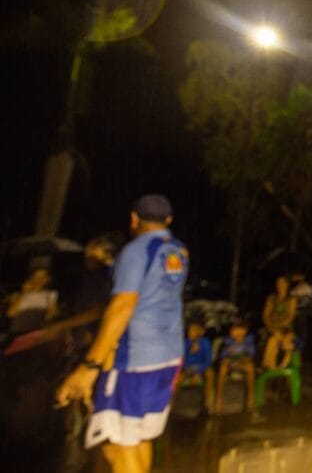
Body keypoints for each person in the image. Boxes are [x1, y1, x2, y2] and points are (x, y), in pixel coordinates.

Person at [55, 194, 188, 473]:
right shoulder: (178, 251)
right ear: (168, 220)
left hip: (133, 360)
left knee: (116, 444)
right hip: (167, 356)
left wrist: (90, 365)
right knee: (139, 439)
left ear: (134, 218)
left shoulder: (136, 250)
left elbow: (123, 306)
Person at [214, 317, 256, 413]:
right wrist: (228, 360)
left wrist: (241, 361)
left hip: (242, 363)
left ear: (244, 331)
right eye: (232, 329)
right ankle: (218, 398)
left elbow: (250, 355)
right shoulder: (227, 341)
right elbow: (223, 356)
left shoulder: (248, 341)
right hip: (230, 364)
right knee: (222, 368)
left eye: (235, 329)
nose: (232, 331)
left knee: (250, 367)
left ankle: (250, 397)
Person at [5, 265, 58, 335]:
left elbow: (52, 314)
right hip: (17, 332)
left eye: (43, 277)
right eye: (36, 277)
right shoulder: (17, 294)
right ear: (30, 278)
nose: (39, 280)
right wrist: (24, 293)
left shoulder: (50, 294)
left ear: (48, 279)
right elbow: (10, 314)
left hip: (36, 332)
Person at [261, 275, 296, 370]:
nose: (280, 285)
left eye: (282, 283)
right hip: (272, 326)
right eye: (278, 283)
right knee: (273, 339)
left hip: (285, 327)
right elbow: (266, 314)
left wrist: (279, 326)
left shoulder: (291, 299)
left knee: (278, 339)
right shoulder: (272, 298)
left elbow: (291, 316)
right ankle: (270, 365)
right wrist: (270, 325)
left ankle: (271, 365)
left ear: (287, 285)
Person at [181, 320, 215, 412]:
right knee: (178, 378)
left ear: (199, 332)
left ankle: (207, 404)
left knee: (210, 373)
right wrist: (191, 353)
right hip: (187, 368)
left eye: (193, 330)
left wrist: (198, 372)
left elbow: (208, 360)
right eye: (189, 330)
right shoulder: (184, 343)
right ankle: (169, 405)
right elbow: (182, 363)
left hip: (200, 368)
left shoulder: (205, 342)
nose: (189, 332)